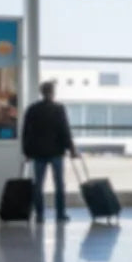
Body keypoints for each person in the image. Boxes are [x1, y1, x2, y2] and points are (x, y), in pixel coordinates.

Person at [22, 80, 77, 224]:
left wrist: (26, 152)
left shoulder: (32, 109)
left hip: (38, 153)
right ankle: (60, 214)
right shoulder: (58, 108)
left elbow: (26, 132)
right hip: (56, 152)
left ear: (41, 92)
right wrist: (72, 149)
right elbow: (65, 130)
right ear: (52, 92)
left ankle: (40, 215)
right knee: (59, 184)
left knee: (38, 185)